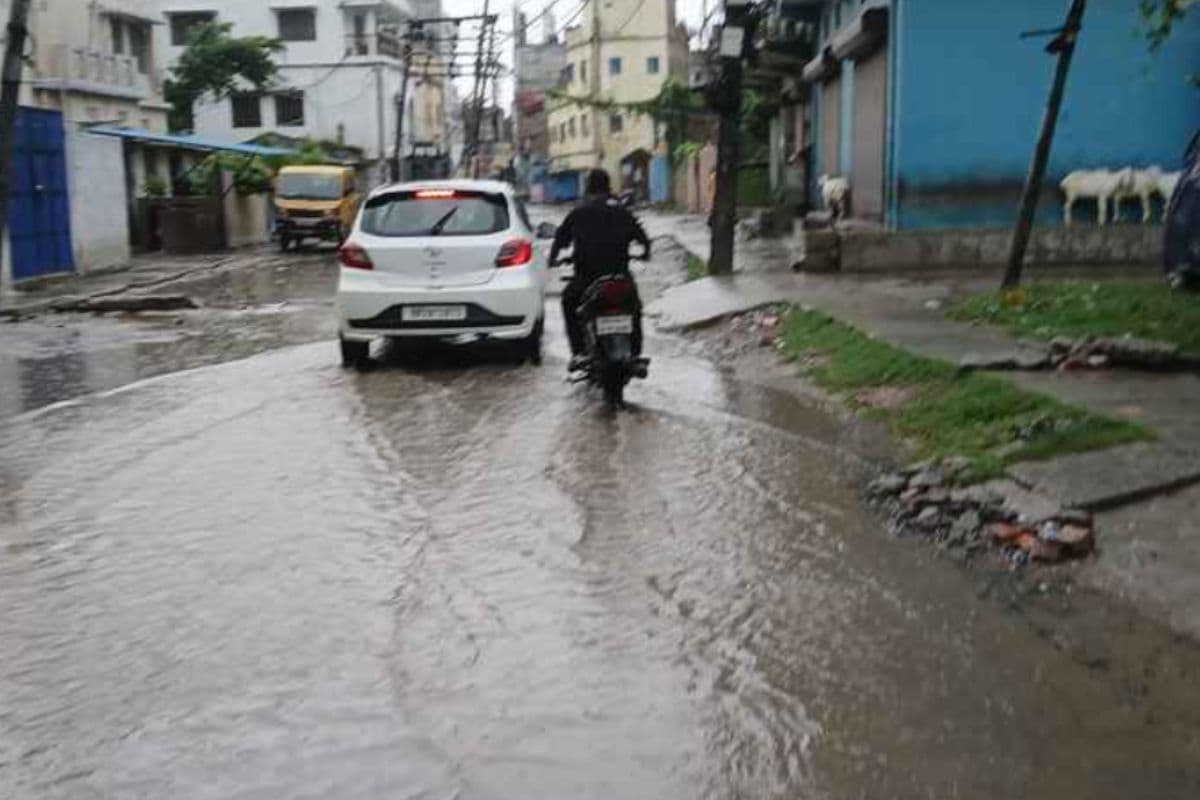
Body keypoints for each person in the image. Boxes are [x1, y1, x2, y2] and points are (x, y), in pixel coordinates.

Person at [550, 169, 651, 369]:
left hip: (587, 278)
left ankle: (578, 353)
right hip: (620, 276)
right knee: (635, 309)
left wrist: (553, 259)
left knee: (569, 303)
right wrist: (646, 253)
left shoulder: (579, 211)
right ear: (608, 186)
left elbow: (560, 240)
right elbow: (643, 239)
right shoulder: (622, 211)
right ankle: (636, 354)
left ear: (588, 187)